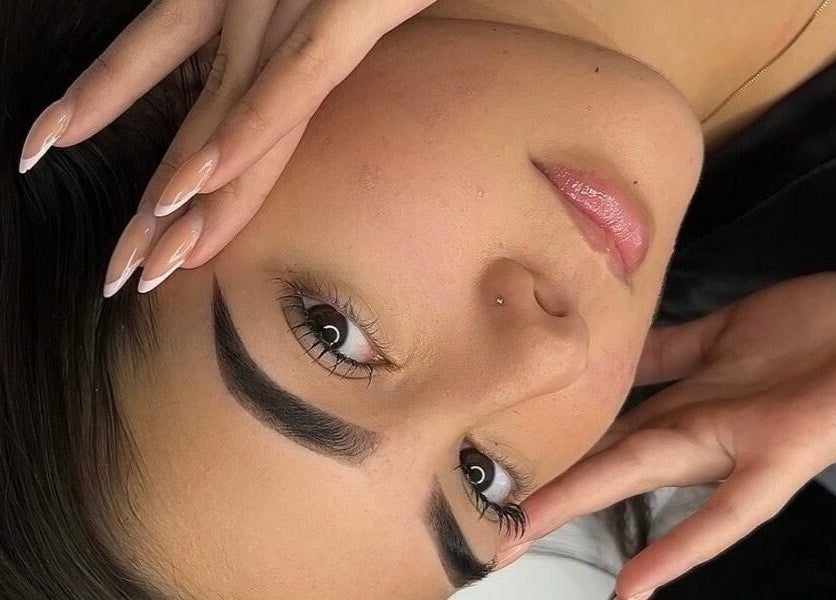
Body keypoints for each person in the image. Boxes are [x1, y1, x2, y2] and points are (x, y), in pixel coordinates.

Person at [4, 2, 835, 600]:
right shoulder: (783, 293)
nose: (549, 355)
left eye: (334, 335)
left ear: (166, 97)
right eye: (482, 478)